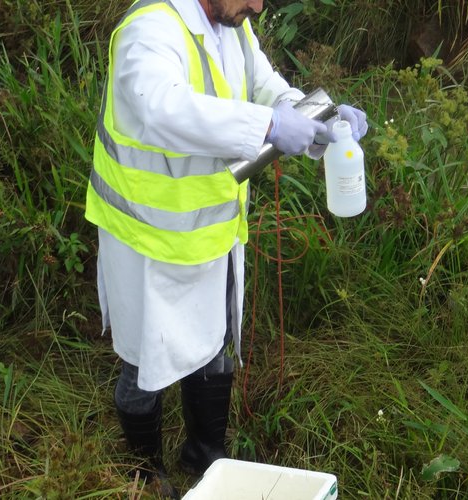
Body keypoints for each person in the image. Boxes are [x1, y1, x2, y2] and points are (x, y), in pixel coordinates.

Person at [84, 0, 367, 496]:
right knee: (145, 359)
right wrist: (268, 127)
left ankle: (206, 453)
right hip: (149, 241)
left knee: (214, 342)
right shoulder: (149, 29)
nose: (257, 7)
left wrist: (318, 114)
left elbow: (267, 87)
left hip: (211, 227)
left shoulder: (231, 24)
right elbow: (162, 108)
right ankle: (145, 473)